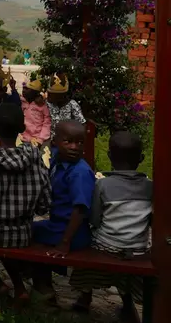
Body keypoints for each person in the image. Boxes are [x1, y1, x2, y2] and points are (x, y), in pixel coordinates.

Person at [0, 104, 51, 308]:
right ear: (22, 127)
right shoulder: (35, 157)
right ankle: (19, 288)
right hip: (23, 232)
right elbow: (44, 204)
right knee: (4, 238)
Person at [69, 131, 152, 323]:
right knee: (126, 261)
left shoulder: (103, 184)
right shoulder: (150, 186)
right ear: (141, 158)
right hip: (138, 249)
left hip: (107, 246)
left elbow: (95, 218)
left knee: (86, 240)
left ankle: (85, 294)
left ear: (109, 156)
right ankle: (128, 303)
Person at [31, 120, 95, 303]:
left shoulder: (79, 172)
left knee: (27, 236)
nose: (75, 147)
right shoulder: (58, 158)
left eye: (80, 142)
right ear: (55, 142)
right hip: (57, 223)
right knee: (27, 230)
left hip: (71, 232)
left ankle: (44, 288)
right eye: (68, 141)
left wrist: (64, 243)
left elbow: (80, 209)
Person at [46, 74, 86, 139]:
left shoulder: (72, 104)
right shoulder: (46, 104)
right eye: (53, 94)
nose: (55, 97)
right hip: (47, 139)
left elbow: (81, 124)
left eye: (58, 95)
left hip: (67, 140)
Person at [21, 79, 50, 146]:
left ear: (36, 93)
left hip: (37, 140)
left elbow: (47, 123)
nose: (24, 90)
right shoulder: (22, 102)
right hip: (22, 138)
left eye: (27, 89)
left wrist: (40, 139)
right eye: (24, 88)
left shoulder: (42, 105)